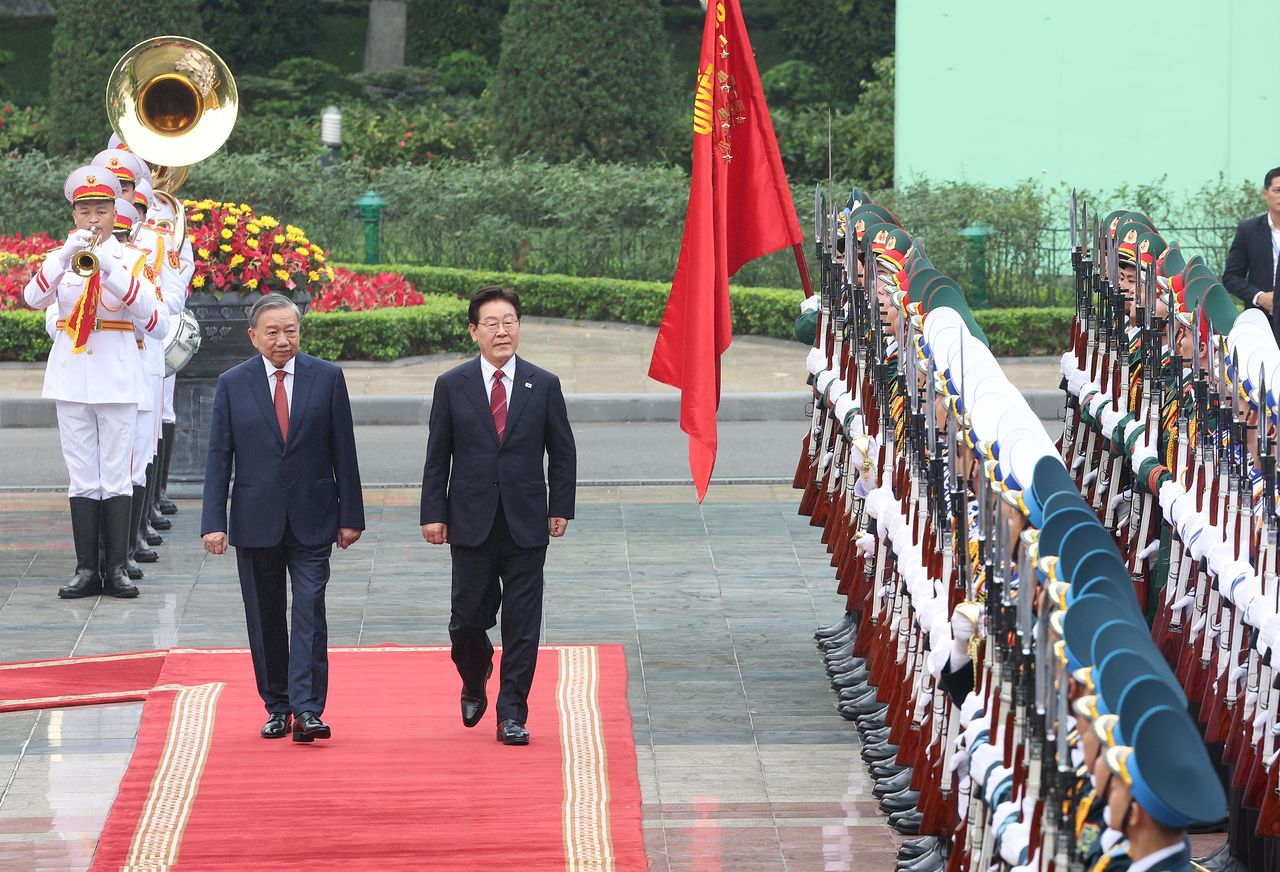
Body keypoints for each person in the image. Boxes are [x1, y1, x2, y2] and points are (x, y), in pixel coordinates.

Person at [200, 293, 365, 742]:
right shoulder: (233, 383)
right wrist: (214, 521)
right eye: (272, 332)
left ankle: (309, 709)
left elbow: (343, 451)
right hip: (256, 520)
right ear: (253, 337)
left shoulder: (327, 378)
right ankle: (277, 705)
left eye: (290, 330)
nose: (282, 340)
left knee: (310, 609)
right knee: (265, 614)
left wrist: (351, 515)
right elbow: (219, 457)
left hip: (314, 516)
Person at [420, 286, 577, 746]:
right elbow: (437, 456)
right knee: (467, 620)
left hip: (527, 522)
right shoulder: (452, 385)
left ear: (519, 327)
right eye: (491, 323)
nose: (502, 330)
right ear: (474, 332)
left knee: (523, 624)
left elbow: (562, 452)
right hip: (469, 520)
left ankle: (512, 714)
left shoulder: (543, 384)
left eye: (510, 321)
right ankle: (474, 674)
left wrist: (560, 507)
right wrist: (433, 513)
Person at [24, 166, 164, 599]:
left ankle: (117, 568)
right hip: (72, 379)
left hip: (119, 377)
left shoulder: (133, 259)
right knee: (83, 476)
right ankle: (87, 569)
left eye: (101, 211)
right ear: (74, 214)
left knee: (117, 476)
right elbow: (32, 298)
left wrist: (111, 268)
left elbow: (156, 322)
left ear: (114, 211)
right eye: (84, 211)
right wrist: (63, 256)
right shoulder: (63, 259)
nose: (93, 220)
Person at [1222, 167, 1280, 339]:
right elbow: (1231, 277)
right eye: (1277, 190)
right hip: (1260, 320)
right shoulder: (1249, 230)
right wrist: (1259, 297)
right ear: (1265, 193)